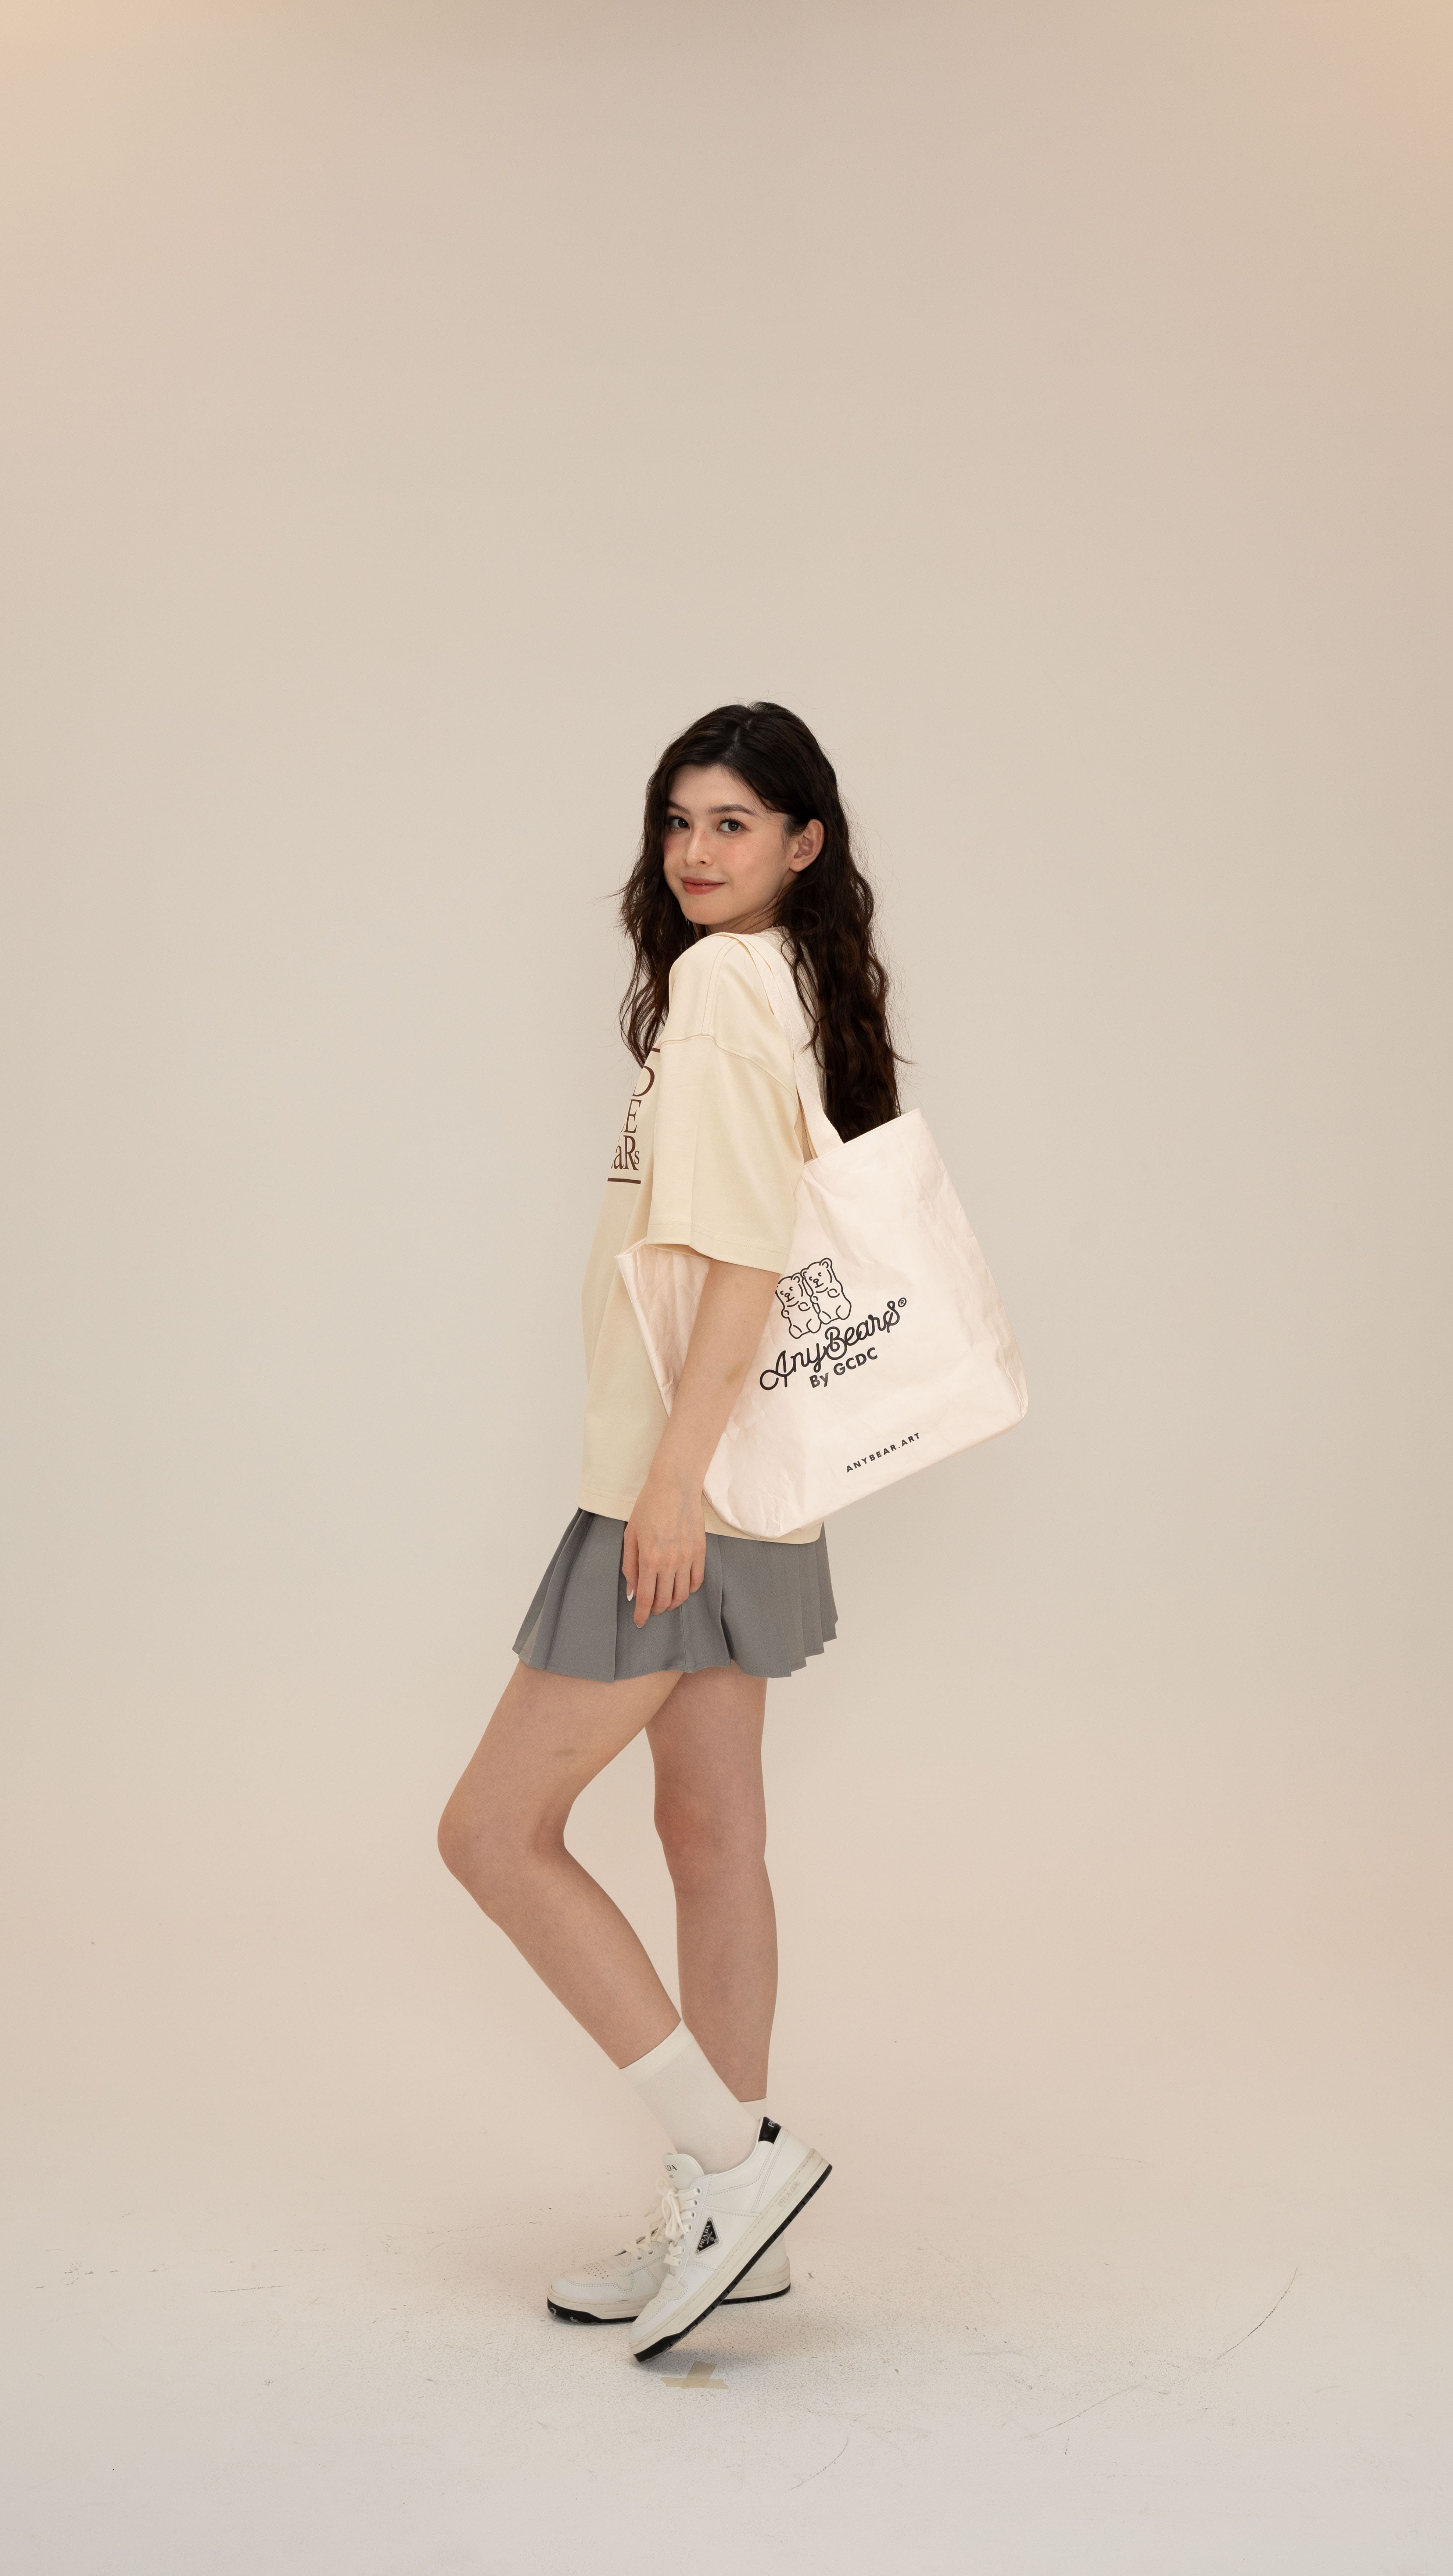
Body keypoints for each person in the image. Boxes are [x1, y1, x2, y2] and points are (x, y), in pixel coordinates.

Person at [437, 701, 901, 2361]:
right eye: (678, 822)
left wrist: (665, 1484)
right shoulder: (794, 983)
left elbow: (748, 1259)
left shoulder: (719, 991)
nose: (696, 852)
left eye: (732, 823)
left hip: (686, 1484)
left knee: (491, 1833)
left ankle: (736, 2166)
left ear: (803, 843)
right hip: (751, 1484)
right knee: (711, 1835)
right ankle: (734, 2224)